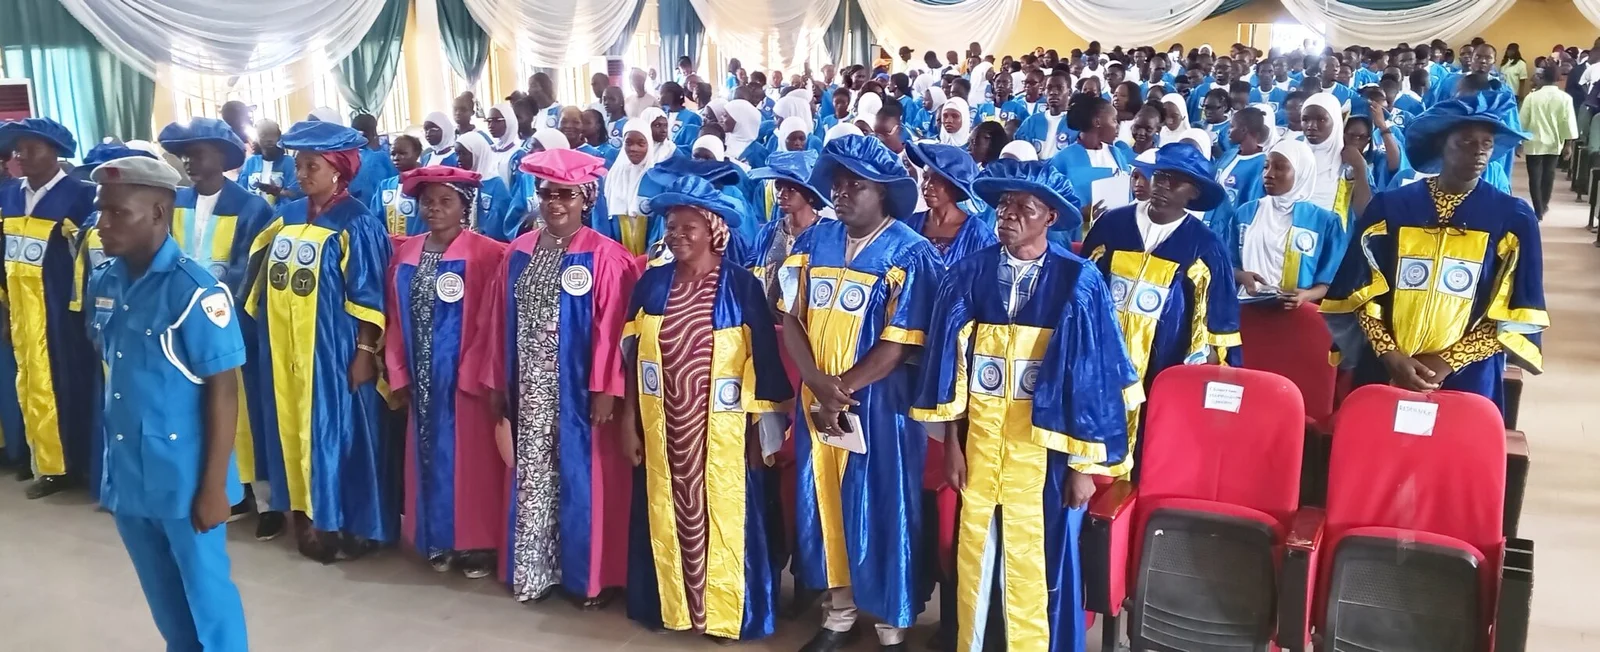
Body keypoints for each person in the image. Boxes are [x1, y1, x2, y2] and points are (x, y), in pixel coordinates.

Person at [913, 158, 1135, 652]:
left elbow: (1094, 382)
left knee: (1040, 560)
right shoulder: (967, 274)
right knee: (976, 553)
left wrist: (1083, 468)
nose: (1008, 214)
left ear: (1050, 217)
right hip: (980, 444)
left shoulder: (1079, 281)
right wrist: (952, 445)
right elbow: (949, 371)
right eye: (1004, 205)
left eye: (1024, 207)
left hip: (1045, 454)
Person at [777, 135, 941, 651]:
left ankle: (892, 622)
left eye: (856, 185)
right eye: (837, 183)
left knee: (886, 504)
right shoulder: (813, 242)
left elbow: (900, 341)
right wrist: (816, 383)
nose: (841, 193)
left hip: (880, 406)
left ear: (883, 192)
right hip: (819, 399)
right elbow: (790, 317)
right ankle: (839, 613)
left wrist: (841, 389)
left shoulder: (910, 252)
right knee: (825, 501)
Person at [85, 154, 250, 652]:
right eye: (100, 211)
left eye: (118, 213)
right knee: (163, 598)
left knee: (208, 598)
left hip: (185, 478)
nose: (102, 224)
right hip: (131, 474)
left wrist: (213, 489)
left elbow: (224, 389)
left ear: (158, 213)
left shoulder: (195, 291)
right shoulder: (106, 280)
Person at [617, 174, 792, 641]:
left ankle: (724, 612)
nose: (676, 236)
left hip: (724, 432)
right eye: (671, 227)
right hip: (664, 424)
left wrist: (761, 435)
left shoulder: (740, 286)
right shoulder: (652, 285)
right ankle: (673, 606)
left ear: (713, 230)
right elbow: (632, 361)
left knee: (726, 514)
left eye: (687, 227)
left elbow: (765, 365)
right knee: (666, 510)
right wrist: (629, 422)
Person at [471, 148, 634, 607]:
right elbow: (497, 322)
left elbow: (613, 330)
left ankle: (586, 579)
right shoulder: (518, 251)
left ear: (587, 199)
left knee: (582, 480)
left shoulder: (605, 256)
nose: (554, 203)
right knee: (534, 477)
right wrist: (498, 381)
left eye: (566, 195)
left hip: (580, 390)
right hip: (528, 388)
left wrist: (606, 388)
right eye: (546, 194)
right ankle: (536, 571)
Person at [1321, 96, 1545, 412]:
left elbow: (1514, 309)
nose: (1479, 151)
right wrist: (1389, 353)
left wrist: (1448, 361)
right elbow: (1360, 289)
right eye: (1466, 141)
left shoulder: (1512, 217)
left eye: (1487, 143)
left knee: (1454, 442)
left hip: (1467, 374)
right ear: (1441, 144)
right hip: (1386, 367)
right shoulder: (1392, 207)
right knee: (1377, 436)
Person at [244, 121, 395, 562]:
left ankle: (347, 525)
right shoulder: (285, 217)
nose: (302, 173)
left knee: (337, 434)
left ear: (337, 170)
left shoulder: (357, 222)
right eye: (299, 165)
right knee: (292, 428)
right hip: (283, 349)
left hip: (332, 350)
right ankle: (306, 518)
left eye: (312, 165)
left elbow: (370, 296)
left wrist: (365, 353)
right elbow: (256, 281)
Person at [1079, 143, 1241, 476]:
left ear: (1193, 192)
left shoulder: (1205, 245)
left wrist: (1208, 371)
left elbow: (1219, 321)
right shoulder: (1113, 225)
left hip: (1164, 362)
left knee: (1149, 447)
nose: (1163, 186)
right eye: (1160, 176)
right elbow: (1081, 289)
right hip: (1102, 354)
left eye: (1175, 181)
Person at [156, 118, 280, 534]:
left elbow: (250, 272)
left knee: (245, 410)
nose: (189, 161)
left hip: (233, 325)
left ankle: (266, 501)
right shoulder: (176, 202)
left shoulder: (252, 207)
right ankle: (226, 488)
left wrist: (216, 310)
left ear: (222, 157)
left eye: (198, 153)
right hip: (181, 325)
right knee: (198, 407)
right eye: (185, 154)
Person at [383, 166, 507, 579]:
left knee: (471, 460)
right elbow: (395, 318)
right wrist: (399, 372)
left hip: (465, 377)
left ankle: (477, 543)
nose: (434, 209)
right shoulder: (407, 252)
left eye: (445, 201)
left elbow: (493, 320)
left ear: (464, 207)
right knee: (427, 454)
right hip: (421, 375)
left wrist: (477, 371)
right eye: (427, 202)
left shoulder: (488, 254)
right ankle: (436, 536)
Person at [0, 118, 98, 498]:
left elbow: (91, 258)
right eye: (19, 149)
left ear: (55, 152)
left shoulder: (80, 195)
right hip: (22, 311)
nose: (21, 156)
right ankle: (42, 458)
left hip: (62, 311)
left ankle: (71, 465)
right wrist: (6, 310)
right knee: (29, 382)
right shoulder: (9, 195)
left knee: (67, 384)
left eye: (32, 148)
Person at [1222, 139, 1346, 307]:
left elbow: (1330, 280)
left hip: (1296, 313)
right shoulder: (1245, 213)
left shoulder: (1324, 222)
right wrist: (1241, 276)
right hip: (1248, 307)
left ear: (1301, 172)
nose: (1268, 174)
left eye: (1280, 168)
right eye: (1266, 166)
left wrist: (1306, 295)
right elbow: (1229, 262)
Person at [1052, 94, 1134, 236]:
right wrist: (1079, 213)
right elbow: (1052, 205)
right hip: (1077, 237)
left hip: (1114, 233)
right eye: (1114, 120)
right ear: (1097, 122)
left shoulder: (1116, 154)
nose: (1117, 126)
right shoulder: (1062, 159)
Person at [1302, 92, 1371, 227]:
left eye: (1321, 120)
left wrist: (1360, 168)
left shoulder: (1350, 163)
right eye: (1305, 119)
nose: (1311, 126)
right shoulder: (1294, 155)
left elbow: (1362, 212)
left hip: (1334, 234)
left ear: (1336, 123)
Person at [1519, 66, 1577, 220]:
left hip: (1534, 142)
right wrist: (1568, 145)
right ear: (1558, 79)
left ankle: (1537, 209)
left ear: (1542, 78)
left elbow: (1522, 121)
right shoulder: (1565, 98)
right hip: (1554, 143)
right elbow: (1568, 123)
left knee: (1534, 177)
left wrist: (1519, 141)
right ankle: (1544, 204)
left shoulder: (1532, 97)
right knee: (1549, 175)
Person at [596, 117, 659, 256]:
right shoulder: (614, 176)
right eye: (628, 143)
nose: (633, 148)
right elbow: (604, 217)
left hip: (649, 247)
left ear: (649, 144)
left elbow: (659, 225)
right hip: (617, 243)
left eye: (641, 143)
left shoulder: (657, 178)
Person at [1215, 105, 1271, 211]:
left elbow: (1254, 202)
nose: (1228, 131)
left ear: (1244, 130)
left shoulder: (1262, 164)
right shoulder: (1228, 155)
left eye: (1232, 126)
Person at [371, 134, 424, 237]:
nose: (396, 158)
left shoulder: (424, 186)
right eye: (393, 154)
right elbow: (376, 217)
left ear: (417, 154)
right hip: (390, 243)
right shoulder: (386, 186)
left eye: (403, 153)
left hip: (417, 243)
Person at [238, 120, 298, 206]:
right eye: (263, 135)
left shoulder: (289, 162)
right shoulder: (251, 162)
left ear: (279, 137)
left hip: (281, 213)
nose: (269, 139)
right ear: (257, 138)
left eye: (273, 135)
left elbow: (296, 193)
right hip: (254, 212)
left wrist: (278, 192)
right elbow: (241, 191)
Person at [1016, 72, 1075, 159]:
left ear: (1069, 92)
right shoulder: (1032, 121)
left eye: (1059, 88)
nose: (1053, 92)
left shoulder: (1076, 124)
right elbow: (1019, 152)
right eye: (1049, 88)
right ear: (1044, 92)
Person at [660, 81, 704, 151]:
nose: (660, 97)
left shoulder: (692, 117)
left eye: (662, 93)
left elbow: (692, 145)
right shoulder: (662, 116)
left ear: (671, 94)